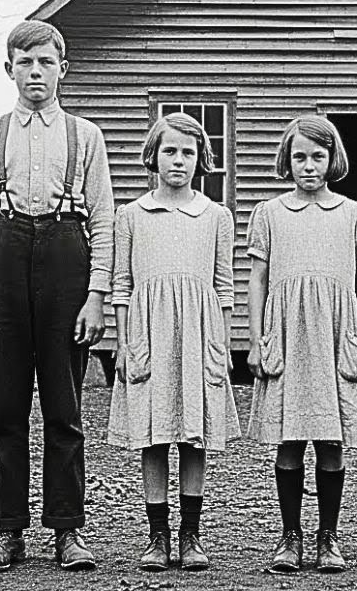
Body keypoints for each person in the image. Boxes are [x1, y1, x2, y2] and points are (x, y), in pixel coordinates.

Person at [0, 20, 113, 573]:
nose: (36, 72)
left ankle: (68, 531)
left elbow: (106, 222)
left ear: (62, 69)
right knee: (5, 408)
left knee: (65, 408)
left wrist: (97, 296)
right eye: (26, 63)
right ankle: (6, 532)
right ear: (9, 70)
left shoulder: (85, 136)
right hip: (3, 260)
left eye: (46, 62)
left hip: (67, 259)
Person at [107, 112, 242, 572]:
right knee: (153, 434)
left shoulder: (216, 217)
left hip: (199, 334)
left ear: (201, 158)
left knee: (193, 435)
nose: (178, 161)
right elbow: (121, 285)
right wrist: (124, 343)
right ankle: (157, 536)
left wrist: (220, 346)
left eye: (188, 152)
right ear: (154, 156)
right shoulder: (131, 216)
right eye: (170, 151)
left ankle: (191, 535)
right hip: (149, 333)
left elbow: (224, 288)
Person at [245, 115, 357, 574]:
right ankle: (289, 536)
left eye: (317, 157)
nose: (308, 166)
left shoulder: (355, 214)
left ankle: (328, 537)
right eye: (299, 157)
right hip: (286, 333)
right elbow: (258, 280)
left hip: (335, 335)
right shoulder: (269, 213)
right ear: (287, 160)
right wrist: (257, 338)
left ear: (331, 159)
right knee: (288, 438)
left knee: (331, 439)